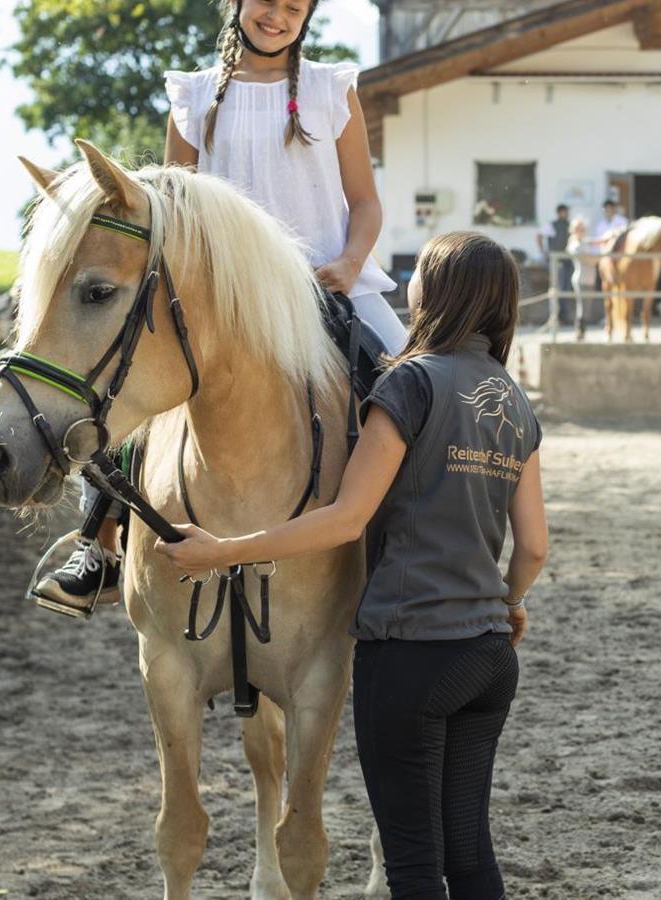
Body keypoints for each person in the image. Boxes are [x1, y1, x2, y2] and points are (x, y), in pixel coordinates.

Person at [158, 231, 547, 900]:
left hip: (411, 656)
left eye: (419, 273)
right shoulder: (513, 402)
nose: (409, 283)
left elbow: (345, 519)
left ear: (440, 293)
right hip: (488, 658)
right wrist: (508, 603)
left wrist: (222, 552)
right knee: (469, 852)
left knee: (413, 865)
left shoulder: (411, 384)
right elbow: (535, 545)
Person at [34, 0, 409, 609]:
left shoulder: (330, 90)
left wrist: (346, 262)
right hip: (223, 301)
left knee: (410, 392)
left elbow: (365, 203)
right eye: (267, 2)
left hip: (325, 286)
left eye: (294, 8)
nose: (278, 16)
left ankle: (406, 553)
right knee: (129, 380)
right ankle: (98, 545)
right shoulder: (194, 96)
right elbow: (172, 213)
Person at [539, 203, 573, 317]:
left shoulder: (570, 225)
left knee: (566, 287)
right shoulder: (552, 225)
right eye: (565, 211)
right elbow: (539, 236)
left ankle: (563, 314)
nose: (567, 214)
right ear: (560, 213)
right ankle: (556, 315)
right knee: (557, 286)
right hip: (556, 261)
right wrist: (543, 252)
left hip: (567, 260)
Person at [565, 217, 595, 341]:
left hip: (589, 278)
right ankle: (579, 332)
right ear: (574, 230)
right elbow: (588, 260)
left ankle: (581, 332)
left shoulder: (584, 242)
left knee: (587, 307)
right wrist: (602, 257)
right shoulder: (575, 245)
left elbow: (597, 241)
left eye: (583, 228)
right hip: (582, 279)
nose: (582, 231)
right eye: (579, 229)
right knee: (582, 307)